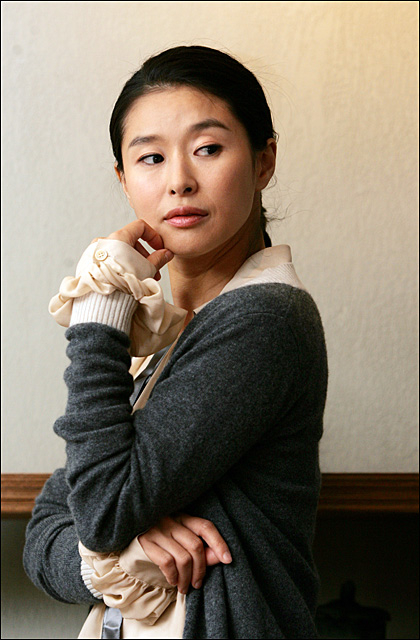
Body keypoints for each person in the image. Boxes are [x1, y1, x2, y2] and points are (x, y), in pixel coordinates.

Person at [23, 45, 328, 639]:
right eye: (151, 157)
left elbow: (101, 509)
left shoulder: (264, 318)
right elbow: (43, 533)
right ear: (124, 179)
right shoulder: (168, 335)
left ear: (264, 161)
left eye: (208, 148)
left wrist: (101, 306)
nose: (179, 181)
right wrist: (118, 556)